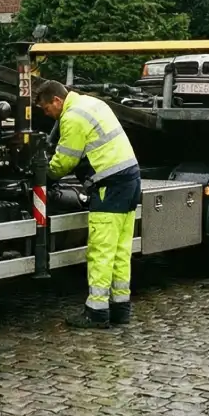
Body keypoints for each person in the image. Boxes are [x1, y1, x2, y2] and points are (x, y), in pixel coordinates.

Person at [36, 80, 141, 329]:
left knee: (101, 251)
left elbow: (64, 162)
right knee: (119, 250)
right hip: (130, 180)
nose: (46, 114)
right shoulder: (92, 102)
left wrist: (42, 172)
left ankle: (96, 311)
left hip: (110, 187)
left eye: (45, 108)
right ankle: (120, 308)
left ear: (57, 101)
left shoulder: (72, 117)